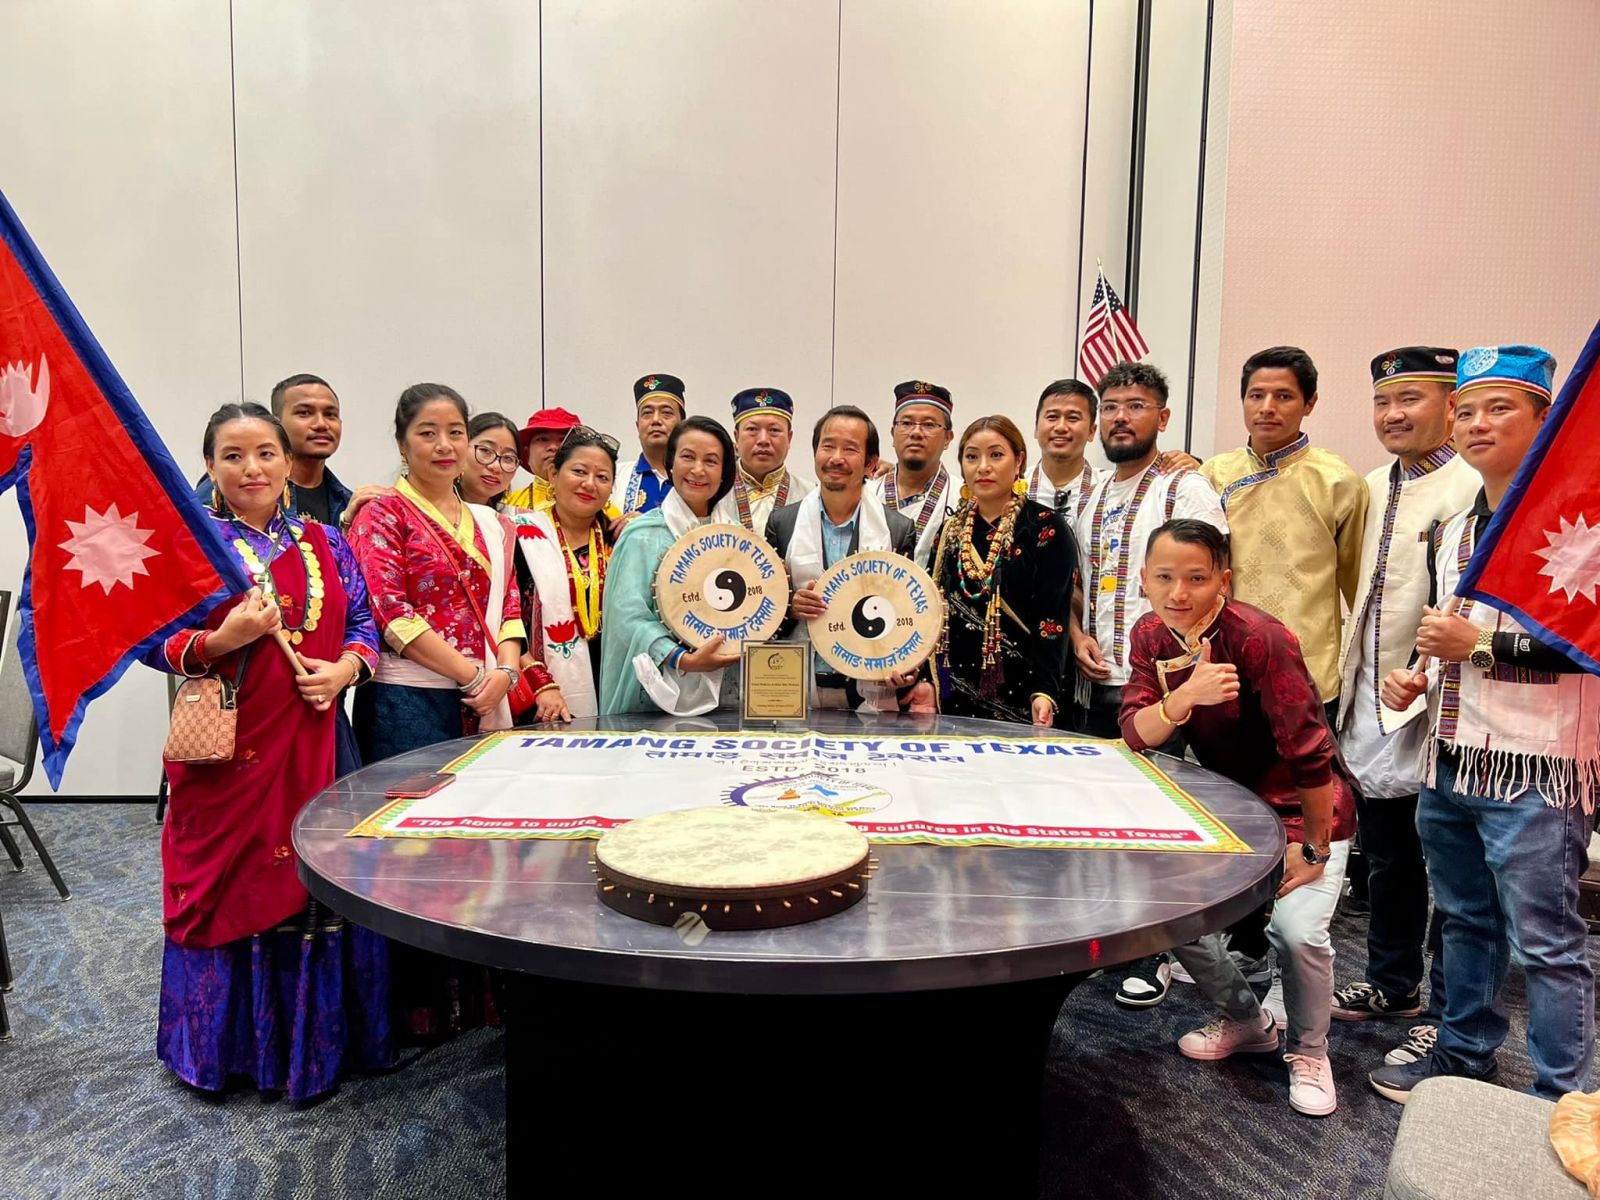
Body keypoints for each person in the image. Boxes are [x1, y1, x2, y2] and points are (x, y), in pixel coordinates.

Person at [1370, 345, 1599, 1104]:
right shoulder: (1456, 528)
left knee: (1547, 943)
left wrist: (1481, 647)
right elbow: (1451, 626)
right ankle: (1462, 1053)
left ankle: (1561, 1099)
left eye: (1499, 408)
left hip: (1536, 765)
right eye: (1465, 410)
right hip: (1450, 753)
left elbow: (1589, 645)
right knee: (1464, 921)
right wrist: (1419, 671)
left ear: (1546, 419)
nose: (1476, 423)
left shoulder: (1582, 523)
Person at [145, 402, 389, 1101]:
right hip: (228, 758)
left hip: (319, 743)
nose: (251, 468)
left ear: (287, 463)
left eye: (264, 453)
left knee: (319, 880)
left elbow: (365, 622)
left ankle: (315, 1050)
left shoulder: (325, 540)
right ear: (210, 466)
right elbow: (155, 643)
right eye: (232, 455)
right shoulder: (194, 545)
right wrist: (223, 640)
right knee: (233, 884)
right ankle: (229, 1054)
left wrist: (345, 670)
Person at [1121, 519, 1357, 1117]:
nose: (1178, 593)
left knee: (1297, 933)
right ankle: (1247, 1021)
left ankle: (1311, 1051)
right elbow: (1134, 733)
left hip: (1307, 809)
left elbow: (1310, 753)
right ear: (1144, 579)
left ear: (1223, 580)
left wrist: (1316, 847)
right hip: (1233, 809)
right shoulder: (1149, 634)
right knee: (1169, 916)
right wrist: (1184, 697)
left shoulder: (1259, 637)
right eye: (1164, 577)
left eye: (1196, 578)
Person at [1329, 348, 1481, 1069]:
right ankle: (1393, 985)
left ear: (1450, 407)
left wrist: (1424, 676)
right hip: (1372, 695)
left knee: (1452, 870)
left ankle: (1450, 1019)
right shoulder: (1370, 484)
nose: (1393, 414)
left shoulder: (1472, 484)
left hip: (1443, 702)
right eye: (1383, 401)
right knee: (1388, 854)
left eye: (1410, 399)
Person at [347, 384, 525, 762]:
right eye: (428, 433)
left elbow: (510, 605)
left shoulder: (491, 523)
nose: (444, 445)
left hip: (486, 694)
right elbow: (391, 614)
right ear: (402, 445)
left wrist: (506, 673)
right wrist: (474, 677)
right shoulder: (381, 513)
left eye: (455, 433)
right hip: (406, 702)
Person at [1200, 347, 1368, 717]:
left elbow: (1359, 587)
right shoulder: (1213, 475)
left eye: (1284, 396)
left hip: (1309, 668)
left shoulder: (1338, 481)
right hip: (1225, 667)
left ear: (1310, 403)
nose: (1267, 408)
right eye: (1256, 395)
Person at [1071, 361, 1227, 738]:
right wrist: (1076, 637)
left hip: (1166, 686)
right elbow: (1076, 585)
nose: (1120, 417)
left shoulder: (1183, 487)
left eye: (1136, 406)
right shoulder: (1089, 495)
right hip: (1092, 686)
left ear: (1163, 418)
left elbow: (1215, 588)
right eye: (1110, 407)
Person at [764, 406, 921, 712]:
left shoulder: (897, 529)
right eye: (828, 446)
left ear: (870, 463)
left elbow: (907, 612)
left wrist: (907, 667)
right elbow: (765, 606)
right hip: (793, 683)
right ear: (815, 453)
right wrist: (791, 605)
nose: (836, 458)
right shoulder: (782, 523)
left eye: (850, 449)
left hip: (865, 688)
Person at [932, 415, 1075, 727]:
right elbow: (932, 615)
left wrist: (1044, 691)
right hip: (952, 697)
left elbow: (1054, 619)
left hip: (1027, 697)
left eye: (996, 455)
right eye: (972, 457)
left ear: (1019, 461)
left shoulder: (1045, 528)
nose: (983, 467)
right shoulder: (950, 532)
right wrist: (927, 682)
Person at [599, 415, 742, 715]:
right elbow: (627, 617)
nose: (698, 469)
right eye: (687, 457)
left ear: (724, 472)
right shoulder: (642, 535)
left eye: (711, 461)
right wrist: (681, 658)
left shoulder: (739, 540)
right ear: (671, 464)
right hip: (652, 693)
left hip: (727, 690)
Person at [512, 427, 619, 722]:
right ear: (554, 474)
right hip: (541, 694)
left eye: (602, 477)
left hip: (614, 692)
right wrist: (540, 683)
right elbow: (504, 620)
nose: (589, 484)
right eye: (579, 471)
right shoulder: (520, 537)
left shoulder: (619, 541)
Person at [196, 374, 353, 526]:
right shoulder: (229, 487)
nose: (321, 424)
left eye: (330, 414)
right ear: (277, 422)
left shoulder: (346, 501)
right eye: (305, 413)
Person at [869, 380, 957, 568]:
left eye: (929, 424)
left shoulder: (962, 499)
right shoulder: (867, 494)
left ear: (948, 438)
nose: (916, 432)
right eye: (907, 423)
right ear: (893, 433)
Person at [711, 387, 816, 532]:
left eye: (774, 430)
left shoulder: (811, 495)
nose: (763, 440)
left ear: (789, 438)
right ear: (736, 436)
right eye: (752, 429)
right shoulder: (714, 491)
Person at [611, 373, 686, 523]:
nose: (656, 420)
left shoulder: (696, 478)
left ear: (682, 424)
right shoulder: (614, 478)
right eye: (647, 413)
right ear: (638, 425)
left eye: (666, 413)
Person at [1028, 379, 1103, 524]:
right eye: (1052, 417)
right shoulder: (1013, 488)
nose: (1061, 427)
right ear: (1036, 428)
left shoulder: (1108, 488)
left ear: (1091, 431)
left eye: (1073, 418)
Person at [502, 406, 578, 510]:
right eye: (543, 439)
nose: (553, 447)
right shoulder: (505, 506)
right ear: (527, 454)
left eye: (563, 440)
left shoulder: (597, 506)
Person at [459, 412, 525, 511]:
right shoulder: (435, 512)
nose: (496, 466)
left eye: (508, 458)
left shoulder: (513, 517)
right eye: (486, 450)